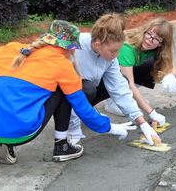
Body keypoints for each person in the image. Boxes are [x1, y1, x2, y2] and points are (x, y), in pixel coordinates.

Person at [0, 20, 136, 164]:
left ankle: (5, 143)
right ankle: (62, 146)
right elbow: (82, 109)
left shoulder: (13, 49)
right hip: (21, 131)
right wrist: (109, 127)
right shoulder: (62, 67)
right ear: (70, 48)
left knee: (15, 97)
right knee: (61, 91)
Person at [68, 13, 160, 146]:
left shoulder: (110, 59)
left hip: (85, 90)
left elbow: (120, 88)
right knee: (86, 89)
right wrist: (73, 126)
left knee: (122, 80)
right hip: (62, 94)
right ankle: (70, 123)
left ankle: (86, 110)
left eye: (118, 50)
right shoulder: (75, 45)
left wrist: (142, 122)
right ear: (98, 44)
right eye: (113, 51)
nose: (116, 55)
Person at [110, 18, 176, 121]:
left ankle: (130, 98)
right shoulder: (127, 47)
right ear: (145, 30)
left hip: (123, 76)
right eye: (149, 34)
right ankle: (112, 101)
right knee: (133, 76)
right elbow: (129, 85)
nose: (149, 40)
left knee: (151, 65)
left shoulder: (156, 49)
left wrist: (170, 76)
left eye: (156, 39)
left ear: (161, 44)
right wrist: (151, 112)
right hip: (104, 79)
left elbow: (171, 68)